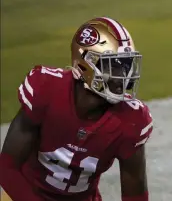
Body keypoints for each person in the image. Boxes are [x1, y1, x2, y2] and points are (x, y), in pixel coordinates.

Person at [0, 17, 153, 201]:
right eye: (113, 66)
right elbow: (7, 166)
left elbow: (135, 196)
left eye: (126, 66)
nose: (124, 77)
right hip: (25, 194)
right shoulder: (46, 89)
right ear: (84, 65)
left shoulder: (131, 120)